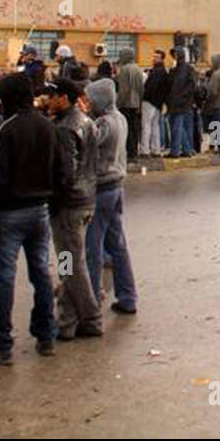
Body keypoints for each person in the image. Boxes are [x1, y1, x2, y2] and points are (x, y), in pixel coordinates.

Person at [0, 73, 58, 365]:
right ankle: (47, 335)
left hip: (10, 213)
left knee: (5, 280)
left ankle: (1, 344)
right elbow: (58, 170)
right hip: (40, 211)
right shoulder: (48, 126)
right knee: (42, 274)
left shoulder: (6, 128)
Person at [46, 78, 103, 341]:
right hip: (86, 199)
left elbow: (66, 174)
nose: (48, 99)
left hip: (69, 206)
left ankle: (91, 316)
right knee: (69, 262)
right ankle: (67, 321)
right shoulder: (85, 121)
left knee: (70, 265)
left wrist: (54, 196)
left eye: (53, 95)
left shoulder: (66, 128)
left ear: (65, 98)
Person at [84, 78, 137, 315]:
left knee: (90, 247)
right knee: (118, 245)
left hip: (102, 187)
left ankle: (92, 297)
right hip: (116, 186)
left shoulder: (104, 123)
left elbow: (87, 143)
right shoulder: (120, 118)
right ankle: (128, 296)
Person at [167, 46, 197, 157]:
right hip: (175, 102)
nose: (174, 57)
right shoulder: (174, 69)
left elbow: (191, 85)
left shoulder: (189, 69)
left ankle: (177, 151)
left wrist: (183, 96)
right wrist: (172, 71)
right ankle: (187, 149)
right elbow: (169, 84)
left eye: (176, 55)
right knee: (179, 128)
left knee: (179, 128)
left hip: (183, 103)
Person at [114, 47, 144, 161]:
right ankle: (134, 153)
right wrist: (140, 104)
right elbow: (141, 89)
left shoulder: (124, 69)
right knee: (134, 130)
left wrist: (118, 104)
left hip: (126, 104)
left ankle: (128, 154)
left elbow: (124, 90)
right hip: (136, 104)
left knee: (126, 130)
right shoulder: (138, 69)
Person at [141, 49, 169, 157]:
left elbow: (150, 87)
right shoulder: (164, 71)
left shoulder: (156, 71)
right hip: (158, 103)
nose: (154, 58)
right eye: (154, 56)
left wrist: (145, 93)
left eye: (156, 57)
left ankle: (145, 150)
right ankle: (156, 150)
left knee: (146, 126)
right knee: (155, 126)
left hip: (149, 101)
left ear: (161, 58)